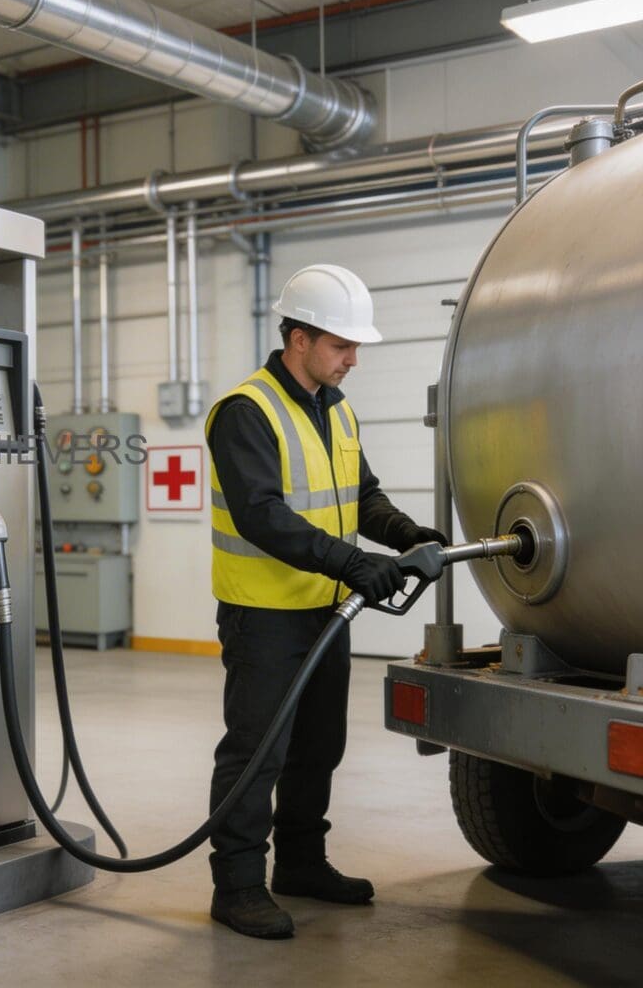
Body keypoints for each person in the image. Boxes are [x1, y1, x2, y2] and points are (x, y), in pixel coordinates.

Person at [205, 264, 447, 940]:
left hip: (327, 610)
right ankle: (239, 886)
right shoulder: (245, 411)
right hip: (264, 615)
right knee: (257, 751)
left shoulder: (336, 408)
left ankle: (302, 863)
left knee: (319, 746)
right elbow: (262, 515)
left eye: (355, 347)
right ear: (300, 337)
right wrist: (351, 562)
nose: (353, 359)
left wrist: (404, 533)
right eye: (342, 345)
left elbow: (361, 496)